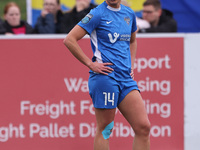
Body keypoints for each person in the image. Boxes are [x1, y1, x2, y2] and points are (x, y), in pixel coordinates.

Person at [63, 0, 151, 149]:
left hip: (125, 78)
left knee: (143, 127)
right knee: (105, 129)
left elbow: (133, 40)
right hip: (106, 77)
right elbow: (69, 40)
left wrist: (131, 64)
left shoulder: (129, 13)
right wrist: (91, 64)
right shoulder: (97, 13)